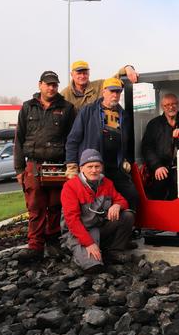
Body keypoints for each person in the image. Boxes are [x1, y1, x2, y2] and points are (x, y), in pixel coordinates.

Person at [13, 71, 75, 262]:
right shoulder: (27, 108)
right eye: (48, 84)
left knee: (56, 206)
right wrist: (19, 170)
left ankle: (53, 242)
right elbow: (18, 139)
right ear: (40, 84)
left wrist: (71, 166)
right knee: (35, 207)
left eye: (54, 85)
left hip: (58, 165)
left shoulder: (67, 108)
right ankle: (35, 246)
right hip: (33, 165)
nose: (51, 88)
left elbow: (72, 139)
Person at [65, 78, 139, 211]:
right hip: (94, 168)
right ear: (103, 92)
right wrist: (71, 165)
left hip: (116, 167)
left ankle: (125, 227)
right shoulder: (88, 111)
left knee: (131, 195)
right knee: (98, 203)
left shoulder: (124, 115)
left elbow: (128, 143)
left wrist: (127, 159)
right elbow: (73, 139)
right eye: (112, 91)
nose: (115, 95)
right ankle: (102, 230)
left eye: (118, 92)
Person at [61, 149, 134, 273]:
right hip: (78, 233)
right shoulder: (70, 187)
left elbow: (123, 201)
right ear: (81, 168)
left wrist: (117, 205)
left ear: (101, 167)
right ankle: (77, 251)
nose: (94, 170)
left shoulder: (107, 183)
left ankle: (114, 251)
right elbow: (72, 221)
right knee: (94, 268)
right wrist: (89, 243)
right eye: (90, 166)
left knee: (127, 215)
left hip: (99, 227)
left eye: (97, 166)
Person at [141, 93, 179, 200]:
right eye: (167, 105)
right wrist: (157, 166)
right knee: (158, 190)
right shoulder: (154, 124)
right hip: (161, 166)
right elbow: (147, 148)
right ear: (162, 107)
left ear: (178, 105)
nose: (171, 107)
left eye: (173, 104)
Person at [61, 60, 139, 111]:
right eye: (79, 73)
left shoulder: (99, 85)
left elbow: (115, 80)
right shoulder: (64, 94)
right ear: (72, 74)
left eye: (85, 73)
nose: (82, 76)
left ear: (89, 73)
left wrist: (127, 68)